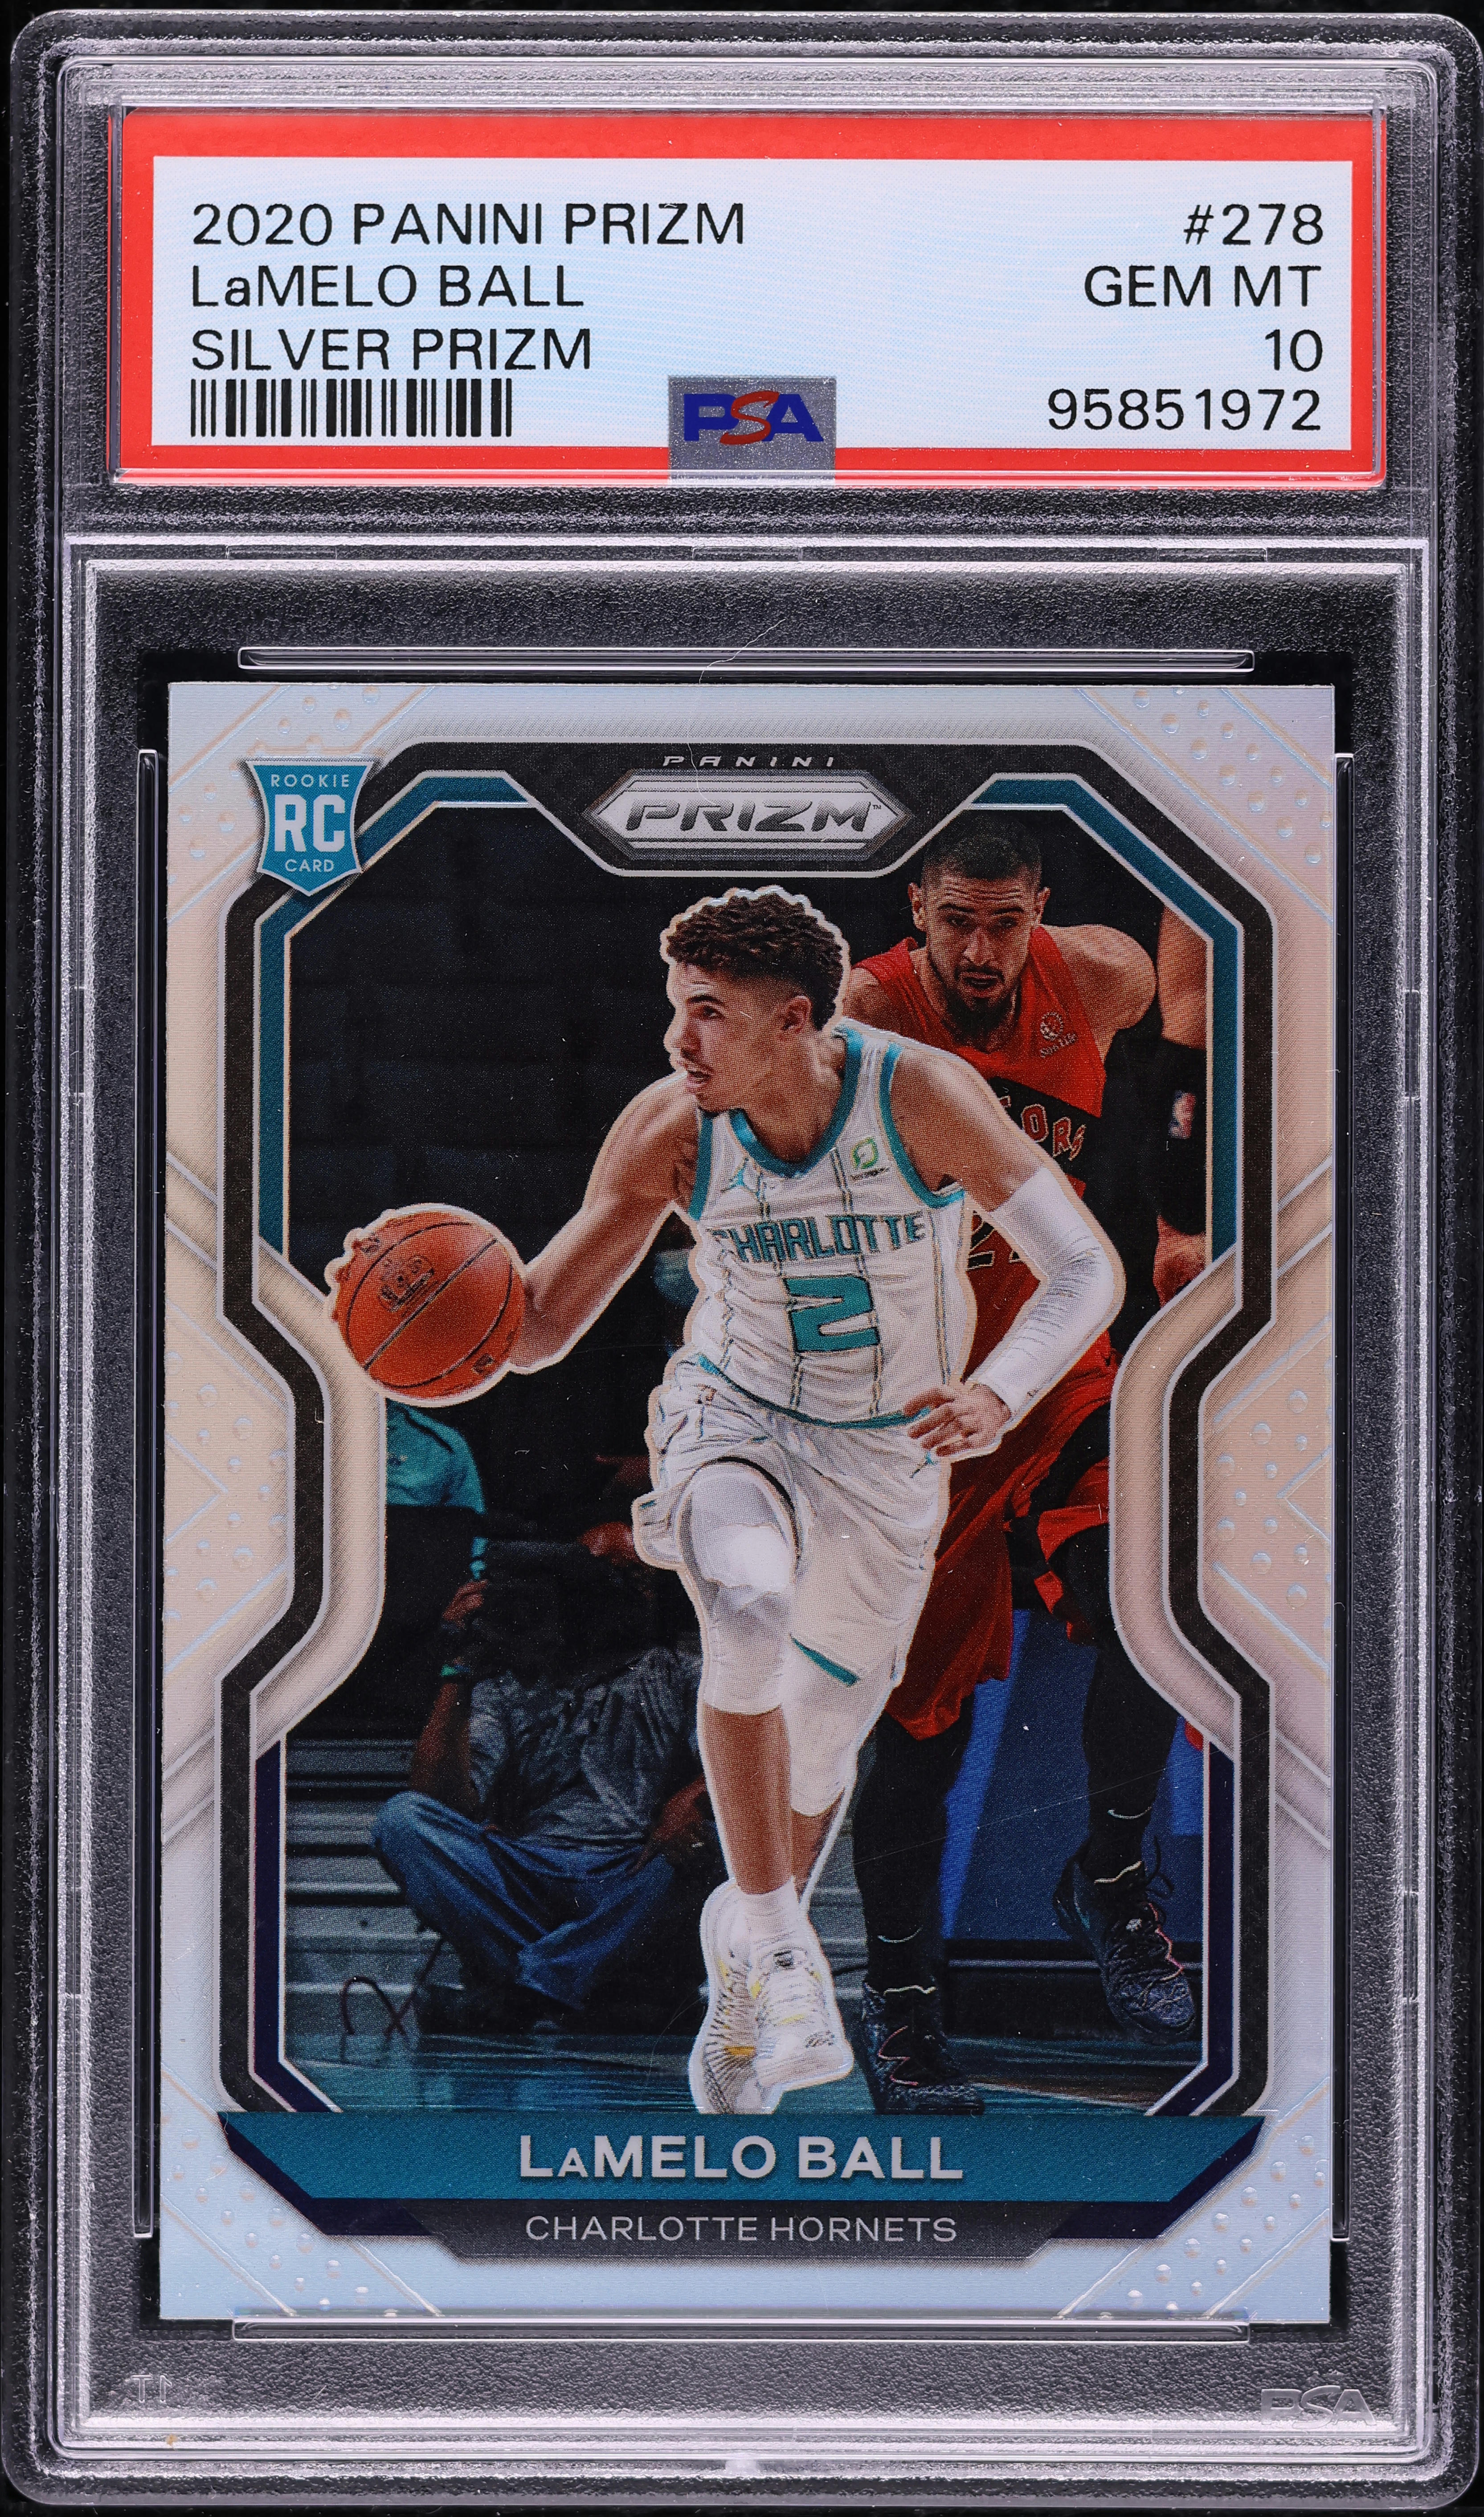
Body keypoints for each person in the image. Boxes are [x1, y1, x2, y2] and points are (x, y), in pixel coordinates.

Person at [352, 885, 1122, 2113]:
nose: (680, 1038)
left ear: (792, 1019)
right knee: (750, 1603)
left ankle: (747, 1974)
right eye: (677, 1006)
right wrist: (410, 1289)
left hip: (885, 1461)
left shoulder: (919, 1096)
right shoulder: (670, 1127)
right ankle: (774, 1947)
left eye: (708, 1012)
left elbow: (1083, 1265)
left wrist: (999, 1390)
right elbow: (537, 1326)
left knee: (817, 1748)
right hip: (733, 1417)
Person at [843, 820, 1208, 2111]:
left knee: (1152, 1609)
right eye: (957, 920)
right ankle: (902, 2013)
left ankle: (1107, 1879)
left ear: (1038, 911)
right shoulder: (862, 1015)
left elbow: (1200, 1005)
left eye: (1005, 922)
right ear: (917, 910)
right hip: (914, 1415)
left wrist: (1182, 1218)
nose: (981, 949)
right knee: (920, 1740)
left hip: (1053, 1371)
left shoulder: (1098, 974)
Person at [372, 1527, 721, 2031]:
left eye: (637, 1577)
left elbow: (746, 1762)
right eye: (604, 1575)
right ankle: (572, 1987)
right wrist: (458, 1666)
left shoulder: (680, 1673)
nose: (619, 1591)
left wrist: (693, 1794)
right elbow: (441, 1801)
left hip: (630, 1873)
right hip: (529, 1871)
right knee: (402, 1820)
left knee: (720, 1831)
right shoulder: (508, 1683)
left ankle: (527, 1992)